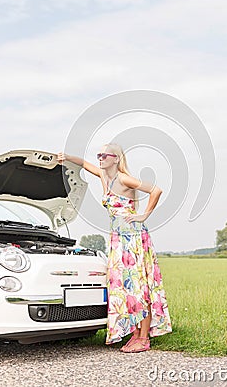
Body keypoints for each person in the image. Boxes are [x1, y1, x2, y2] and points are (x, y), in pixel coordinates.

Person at [57, 143, 172, 353]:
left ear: (116, 159)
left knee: (138, 287)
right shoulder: (105, 177)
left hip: (133, 237)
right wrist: (67, 157)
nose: (100, 158)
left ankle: (144, 338)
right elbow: (84, 164)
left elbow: (156, 190)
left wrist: (144, 214)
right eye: (99, 155)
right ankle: (135, 334)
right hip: (117, 239)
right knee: (126, 288)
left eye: (105, 155)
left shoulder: (123, 178)